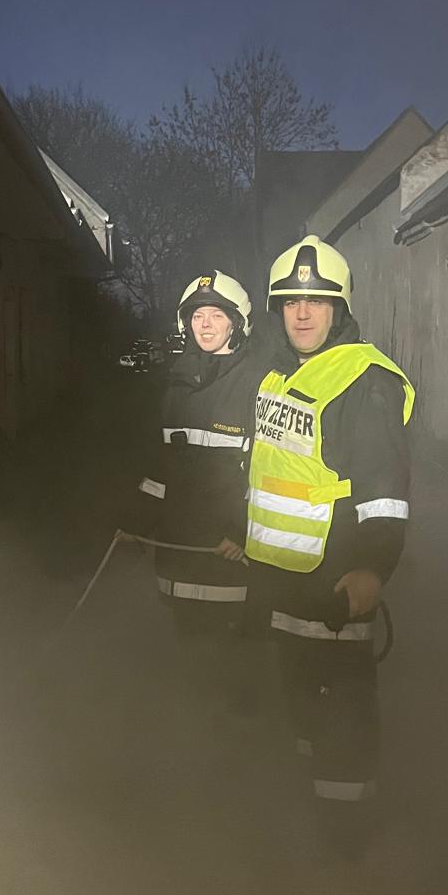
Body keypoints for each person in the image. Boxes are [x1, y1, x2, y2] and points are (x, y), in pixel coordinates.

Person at [243, 235, 414, 850]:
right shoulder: (278, 375)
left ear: (339, 308)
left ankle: (348, 850)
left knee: (342, 721)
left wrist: (373, 568)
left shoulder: (366, 380)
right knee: (301, 713)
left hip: (337, 585)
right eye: (291, 302)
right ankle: (306, 821)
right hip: (281, 585)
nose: (303, 314)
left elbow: (385, 492)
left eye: (317, 301)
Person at [123, 271, 259, 661]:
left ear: (236, 323)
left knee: (233, 668)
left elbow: (269, 475)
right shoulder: (177, 385)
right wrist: (136, 522)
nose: (206, 325)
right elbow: (162, 469)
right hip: (178, 560)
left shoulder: (258, 385)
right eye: (197, 316)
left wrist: (242, 532)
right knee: (185, 665)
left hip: (229, 562)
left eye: (217, 315)